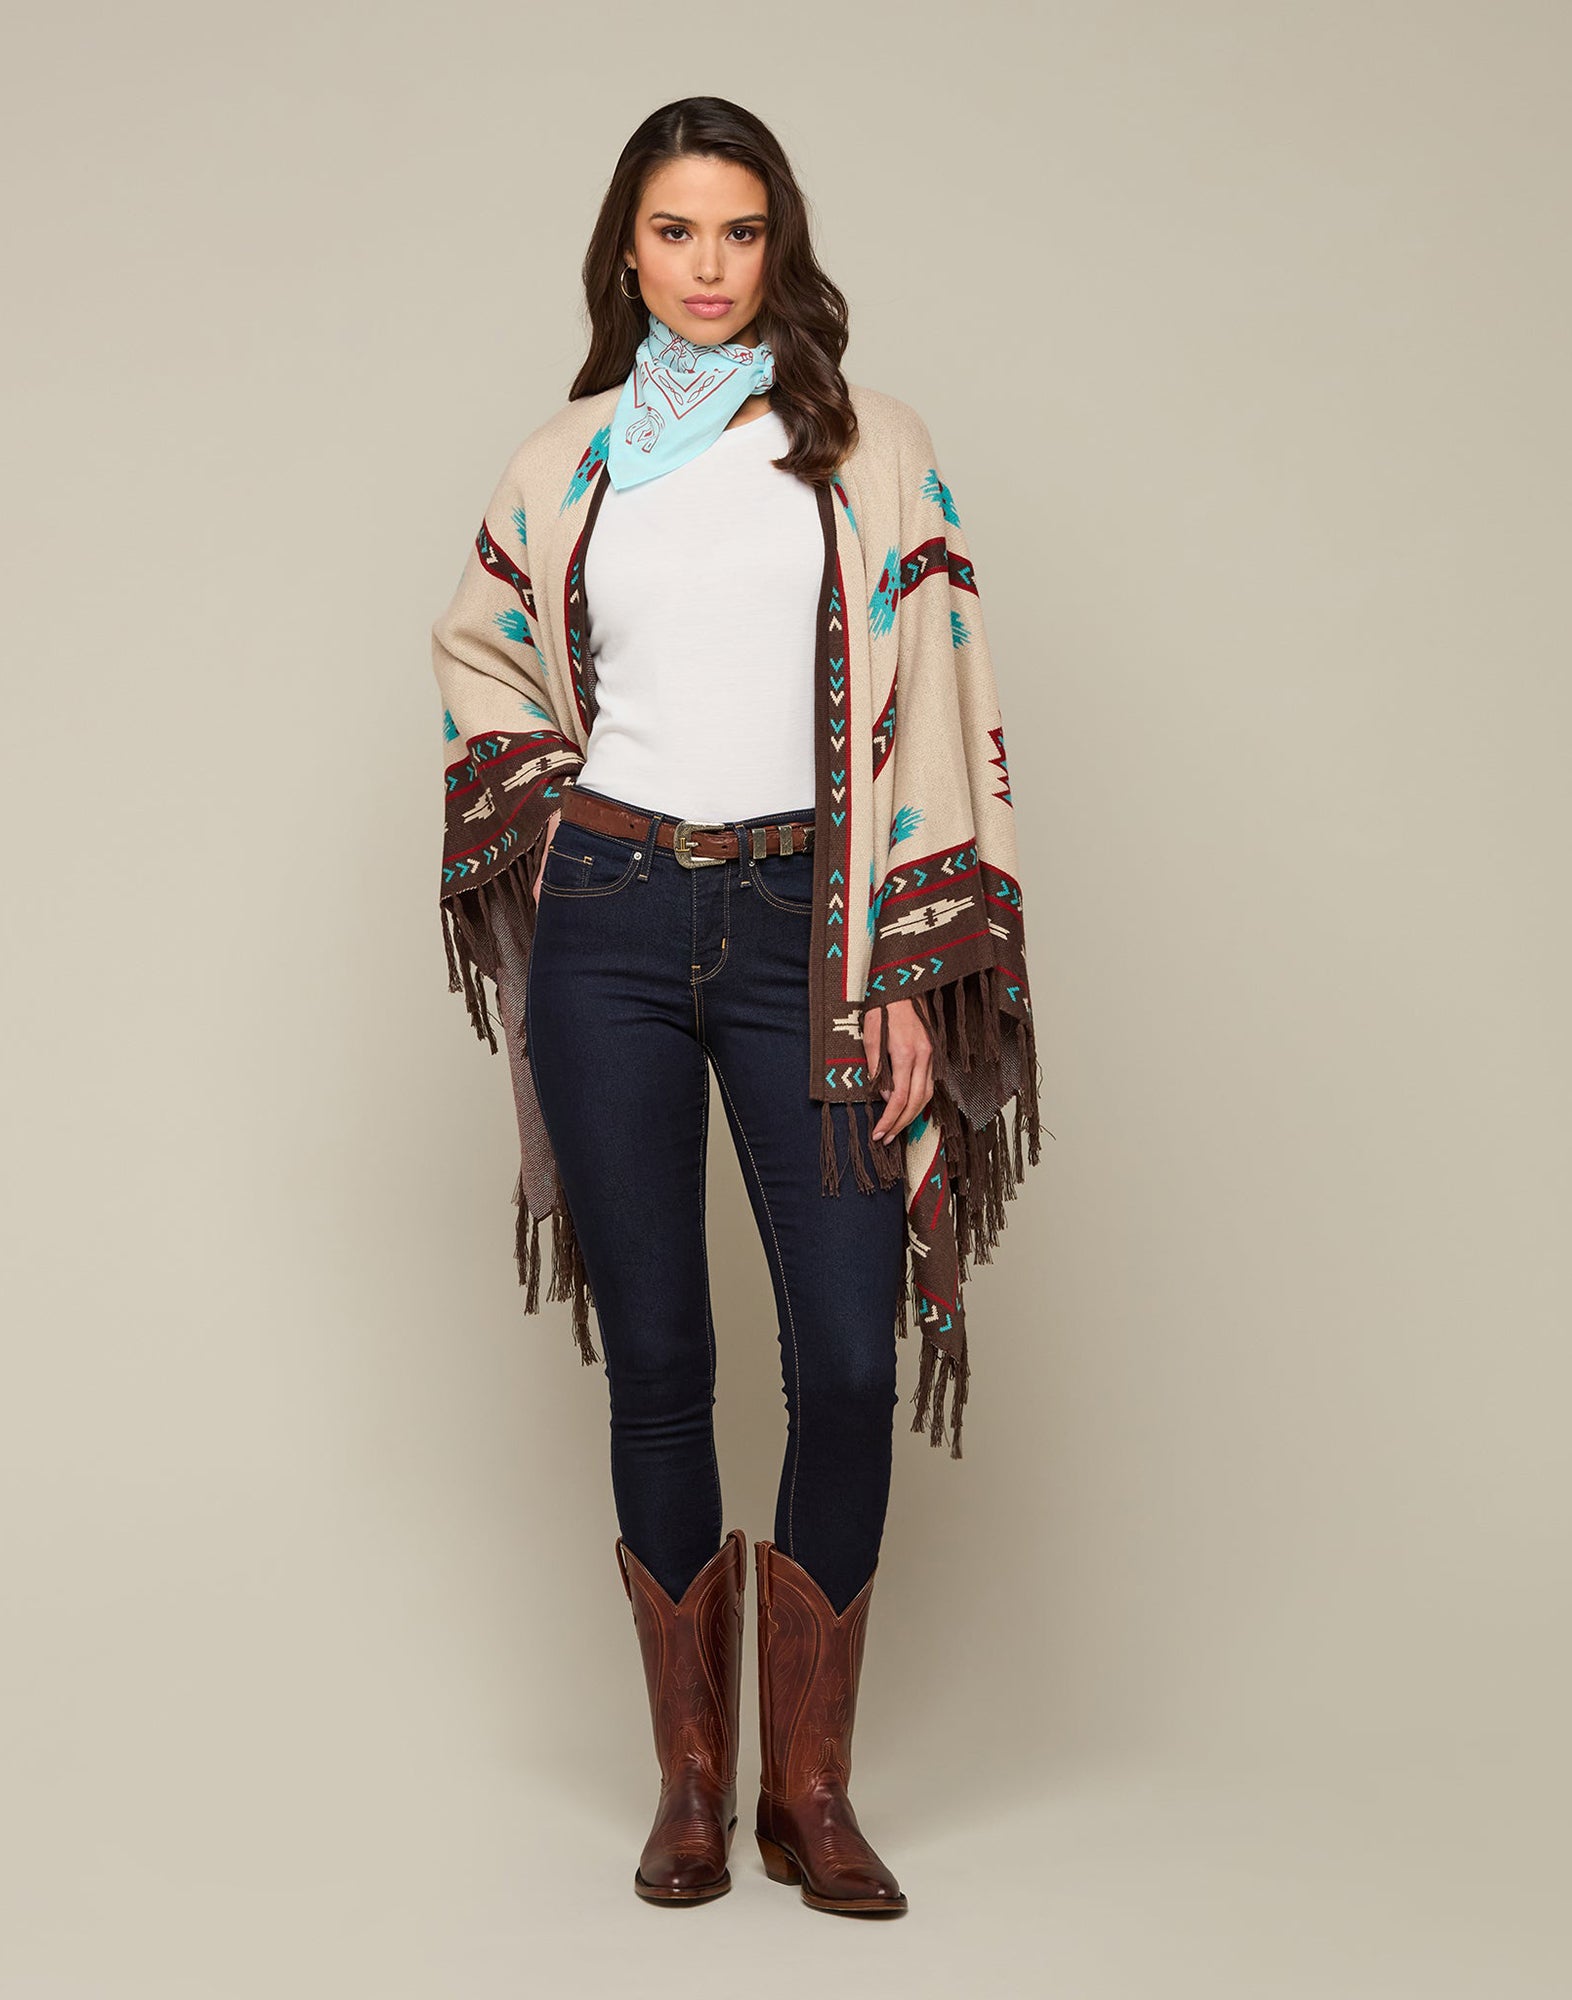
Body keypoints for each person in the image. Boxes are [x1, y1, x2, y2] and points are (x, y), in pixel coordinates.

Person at [430, 96, 1043, 1919]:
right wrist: (559, 822)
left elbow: (941, 702)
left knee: (846, 1357)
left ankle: (813, 1792)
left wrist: (914, 964)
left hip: (812, 932)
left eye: (742, 231)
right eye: (676, 232)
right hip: (615, 920)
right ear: (627, 250)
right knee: (663, 1359)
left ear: (783, 245)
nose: (709, 267)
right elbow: (479, 651)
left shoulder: (870, 447)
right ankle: (694, 1787)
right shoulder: (565, 464)